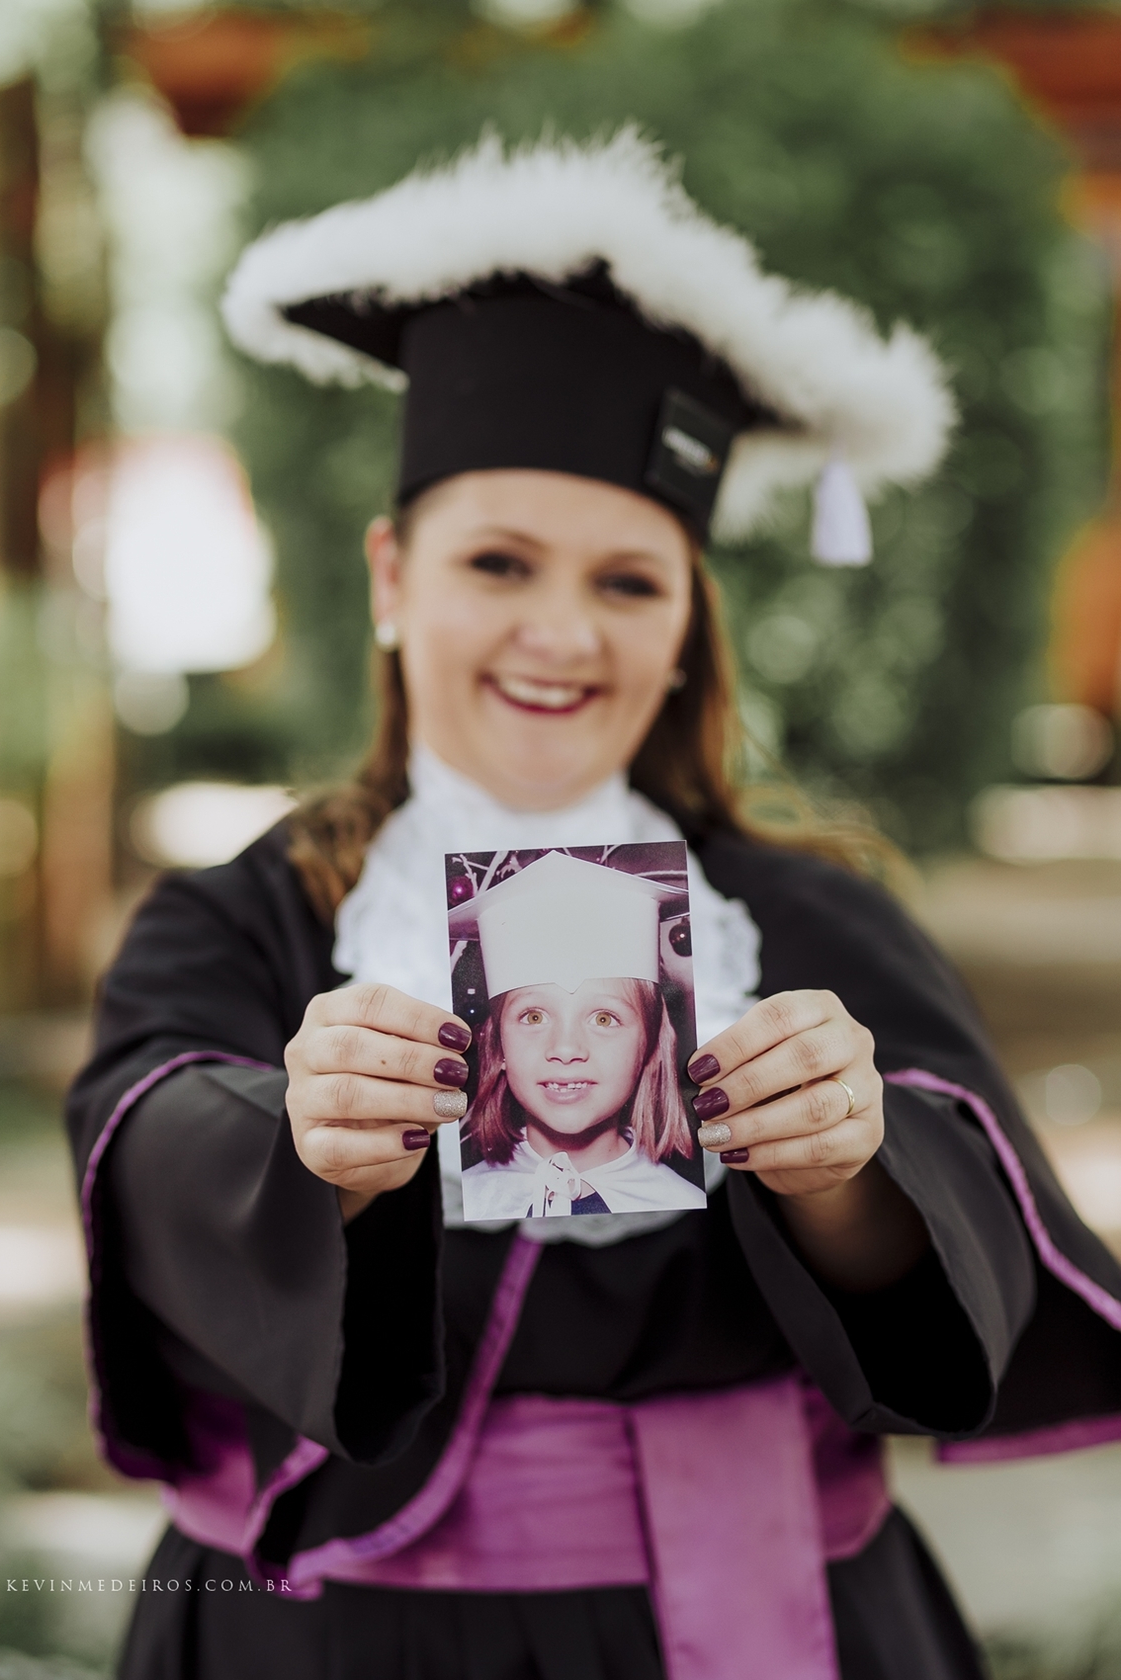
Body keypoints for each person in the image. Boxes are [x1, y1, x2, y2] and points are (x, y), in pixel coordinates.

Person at [66, 131, 1121, 1680]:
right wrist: (317, 1159)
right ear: (388, 576)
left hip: (767, 1619)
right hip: (337, 1642)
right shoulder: (245, 922)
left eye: (629, 580)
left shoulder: (811, 924)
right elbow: (152, 1148)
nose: (562, 632)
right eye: (499, 561)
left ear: (690, 617)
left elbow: (967, 1248)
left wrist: (845, 1163)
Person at [453, 848, 705, 1219]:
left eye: (604, 1019)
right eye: (534, 1016)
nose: (566, 1049)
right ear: (498, 1045)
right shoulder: (462, 1201)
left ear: (649, 1046)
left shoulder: (686, 1207)